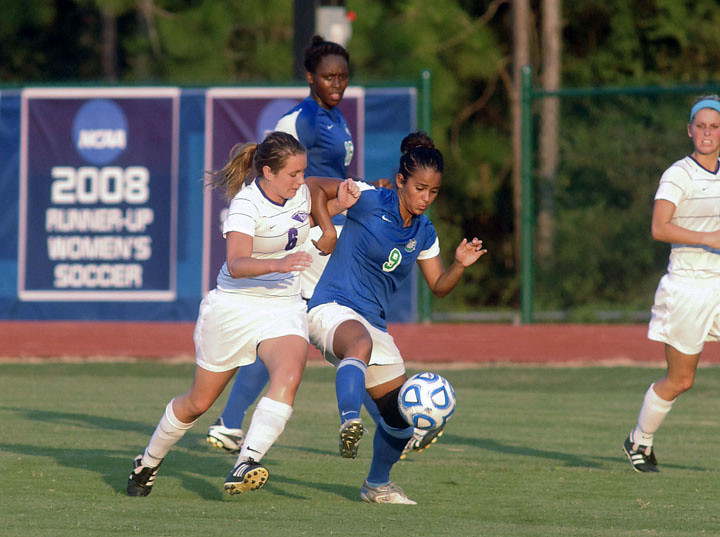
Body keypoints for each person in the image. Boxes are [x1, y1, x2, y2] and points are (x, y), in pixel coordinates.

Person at [206, 34, 410, 457]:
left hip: (328, 224)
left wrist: (366, 190)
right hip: (312, 236)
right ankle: (394, 424)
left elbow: (332, 182)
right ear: (309, 78)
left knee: (290, 328)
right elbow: (282, 177)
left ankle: (228, 423)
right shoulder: (299, 120)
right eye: (327, 76)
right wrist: (322, 224)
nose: (337, 84)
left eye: (343, 76)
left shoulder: (336, 119)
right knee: (319, 326)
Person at [126, 131, 359, 497]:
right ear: (267, 171)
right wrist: (280, 263)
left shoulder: (300, 193)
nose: (301, 181)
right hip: (234, 308)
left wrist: (338, 206)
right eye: (292, 174)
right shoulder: (246, 205)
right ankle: (148, 461)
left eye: (302, 172)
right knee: (198, 403)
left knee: (290, 373)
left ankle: (246, 461)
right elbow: (235, 263)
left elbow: (299, 224)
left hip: (283, 306)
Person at [307, 132, 487, 503]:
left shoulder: (425, 232)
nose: (426, 198)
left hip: (374, 323)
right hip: (331, 307)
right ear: (401, 180)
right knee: (359, 343)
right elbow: (313, 186)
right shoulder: (369, 198)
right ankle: (349, 421)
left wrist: (459, 264)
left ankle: (377, 486)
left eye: (433, 192)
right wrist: (328, 228)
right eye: (420, 188)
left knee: (400, 423)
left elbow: (438, 285)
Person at [622, 95, 720, 473]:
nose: (707, 133)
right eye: (701, 126)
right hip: (688, 287)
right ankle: (639, 440)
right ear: (690, 130)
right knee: (681, 380)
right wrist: (709, 239)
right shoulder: (679, 173)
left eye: (714, 126)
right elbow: (659, 227)